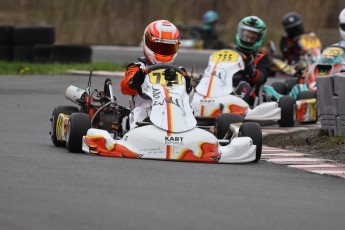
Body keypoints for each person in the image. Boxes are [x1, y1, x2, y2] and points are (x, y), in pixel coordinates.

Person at [120, 20, 193, 130]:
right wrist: (135, 81)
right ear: (147, 42)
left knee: (191, 110)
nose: (163, 52)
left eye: (167, 49)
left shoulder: (180, 72)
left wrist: (189, 88)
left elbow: (189, 99)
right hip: (146, 116)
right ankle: (135, 133)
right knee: (139, 112)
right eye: (159, 48)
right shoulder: (138, 68)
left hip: (176, 115)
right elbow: (124, 87)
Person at [234, 16, 271, 106]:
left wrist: (250, 68)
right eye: (246, 36)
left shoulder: (262, 58)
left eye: (252, 37)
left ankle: (237, 105)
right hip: (225, 88)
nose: (248, 39)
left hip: (249, 96)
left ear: (259, 39)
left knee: (243, 84)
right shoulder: (229, 53)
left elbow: (261, 79)